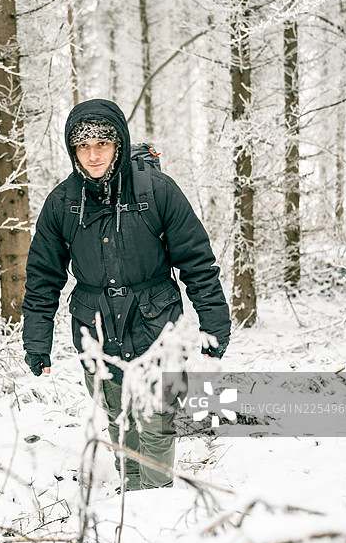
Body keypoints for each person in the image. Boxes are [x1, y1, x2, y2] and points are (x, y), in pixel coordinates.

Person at [22, 99, 230, 490]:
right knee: (119, 418)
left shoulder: (158, 192)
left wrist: (214, 324)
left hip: (156, 326)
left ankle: (156, 495)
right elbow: (42, 278)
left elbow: (197, 261)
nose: (93, 154)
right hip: (96, 331)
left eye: (102, 143)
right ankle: (131, 493)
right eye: (83, 146)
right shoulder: (62, 203)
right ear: (73, 151)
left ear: (119, 145)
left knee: (157, 421)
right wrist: (37, 340)